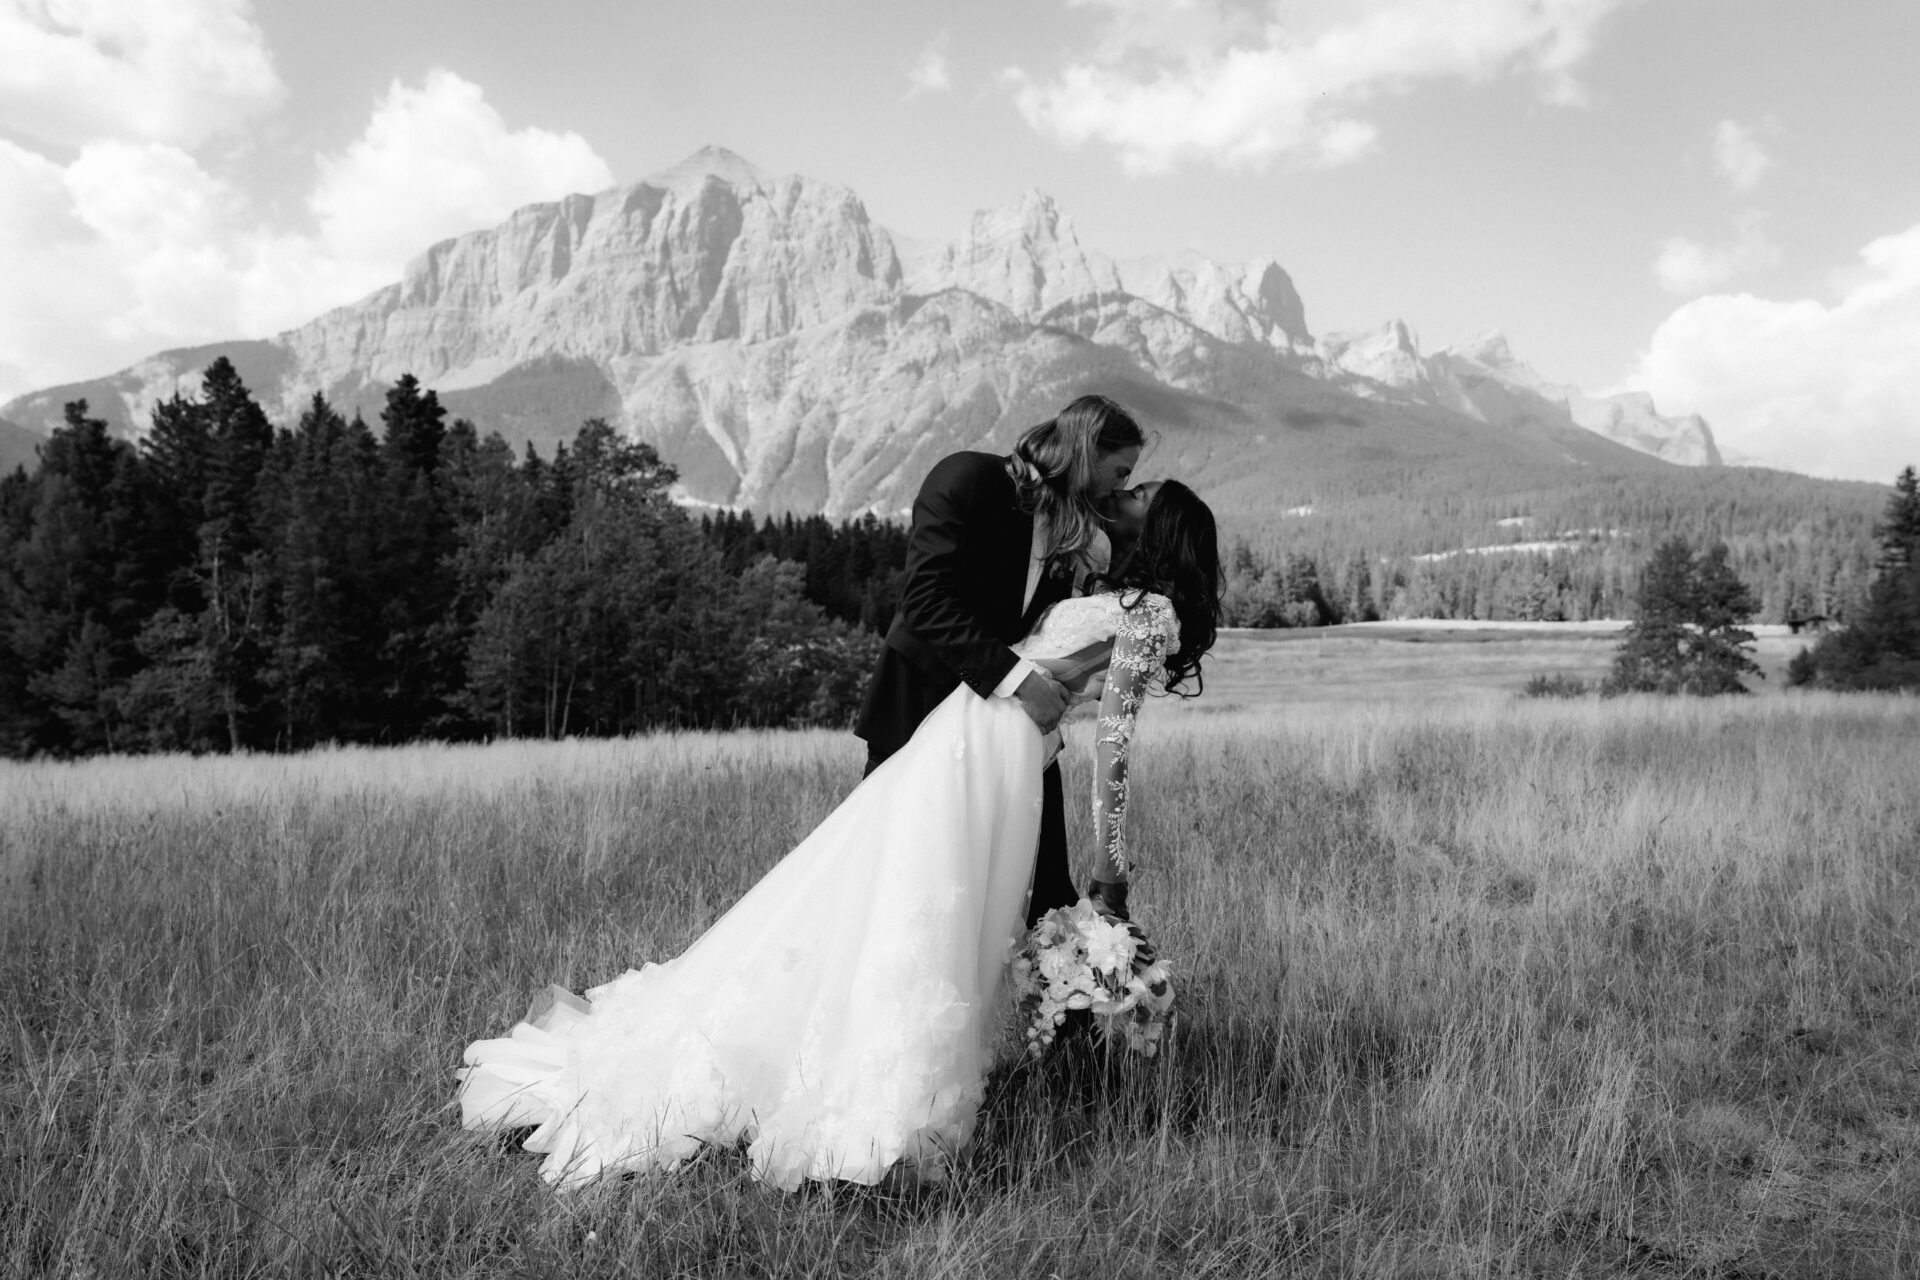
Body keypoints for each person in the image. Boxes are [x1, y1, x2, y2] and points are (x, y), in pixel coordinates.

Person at [456, 481, 1222, 1192]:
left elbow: (1115, 748)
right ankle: (857, 1081)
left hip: (1000, 753)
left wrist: (1108, 865)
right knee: (893, 891)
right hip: (966, 738)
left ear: (1159, 531)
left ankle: (891, 1088)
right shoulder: (1103, 589)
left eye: (1137, 495)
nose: (1118, 495)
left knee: (932, 907)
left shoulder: (1152, 615)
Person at [856, 394, 1144, 927]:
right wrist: (1020, 683)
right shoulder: (966, 478)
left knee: (1048, 882)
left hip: (1012, 734)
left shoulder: (1071, 536)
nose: (1119, 488)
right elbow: (924, 602)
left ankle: (1064, 997)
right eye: (1119, 471)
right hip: (917, 716)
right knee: (890, 879)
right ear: (1086, 450)